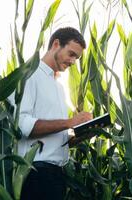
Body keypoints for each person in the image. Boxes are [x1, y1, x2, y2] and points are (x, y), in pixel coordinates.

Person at [12, 27, 93, 200]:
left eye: (77, 58)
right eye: (71, 54)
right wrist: (70, 122)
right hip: (35, 174)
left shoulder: (58, 87)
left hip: (57, 175)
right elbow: (22, 125)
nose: (73, 61)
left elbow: (55, 141)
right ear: (56, 44)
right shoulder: (29, 75)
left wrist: (81, 135)